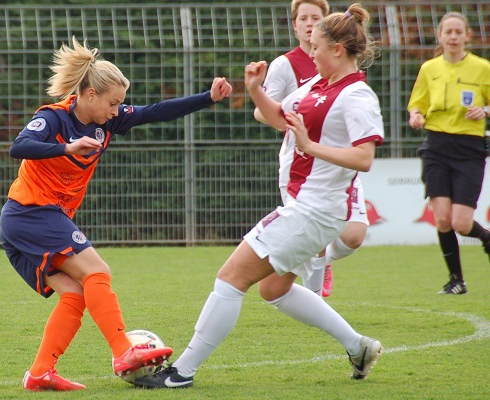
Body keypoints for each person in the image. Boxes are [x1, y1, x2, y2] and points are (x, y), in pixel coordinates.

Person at [134, 3, 384, 389]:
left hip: (316, 211)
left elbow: (364, 157)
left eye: (316, 45)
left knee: (231, 277)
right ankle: (359, 346)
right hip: (302, 206)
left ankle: (181, 373)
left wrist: (310, 145)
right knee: (273, 289)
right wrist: (254, 89)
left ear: (337, 49)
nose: (310, 52)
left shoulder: (356, 95)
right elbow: (277, 116)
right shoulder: (316, 85)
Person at [0, 36, 232, 391]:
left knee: (76, 293)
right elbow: (19, 147)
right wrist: (66, 147)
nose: (116, 110)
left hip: (37, 219)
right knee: (98, 270)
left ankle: (40, 373)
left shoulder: (107, 121)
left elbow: (155, 111)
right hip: (30, 212)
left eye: (120, 104)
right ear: (89, 94)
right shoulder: (53, 117)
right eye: (112, 103)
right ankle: (124, 351)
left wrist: (208, 98)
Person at [255, 0, 369, 298]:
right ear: (294, 25)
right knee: (313, 237)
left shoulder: (343, 64)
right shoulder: (285, 64)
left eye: (315, 17)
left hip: (340, 161)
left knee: (354, 235)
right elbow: (262, 112)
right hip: (303, 163)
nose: (308, 23)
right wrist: (292, 114)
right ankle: (316, 296)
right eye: (303, 18)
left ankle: (322, 262)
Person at [407, 12, 490, 295]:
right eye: (448, 32)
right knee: (442, 219)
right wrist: (416, 116)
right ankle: (456, 280)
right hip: (437, 148)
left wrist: (486, 110)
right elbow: (416, 106)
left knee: (461, 222)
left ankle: (486, 237)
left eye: (458, 32)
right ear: (440, 37)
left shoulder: (482, 68)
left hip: (469, 149)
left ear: (468, 36)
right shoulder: (429, 69)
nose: (453, 37)